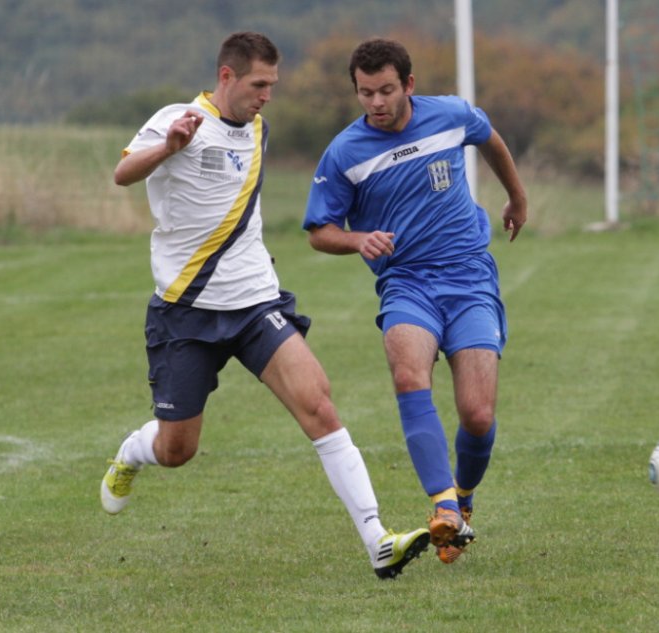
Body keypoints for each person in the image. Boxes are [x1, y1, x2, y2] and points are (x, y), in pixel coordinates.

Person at [99, 31, 429, 580]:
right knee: (178, 449)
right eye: (258, 84)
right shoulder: (179, 119)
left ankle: (378, 540)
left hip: (256, 302)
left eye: (272, 84)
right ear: (226, 76)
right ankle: (134, 451)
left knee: (319, 405)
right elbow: (123, 173)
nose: (266, 95)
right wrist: (169, 148)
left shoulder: (258, 128)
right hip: (187, 311)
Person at [303, 38, 528, 564]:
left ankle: (463, 499)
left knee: (477, 415)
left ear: (408, 84)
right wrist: (358, 239)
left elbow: (488, 136)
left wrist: (516, 197)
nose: (376, 102)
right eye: (365, 93)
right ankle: (443, 505)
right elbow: (319, 231)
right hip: (406, 282)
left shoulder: (449, 115)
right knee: (409, 375)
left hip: (469, 277)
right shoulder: (345, 153)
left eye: (385, 90)